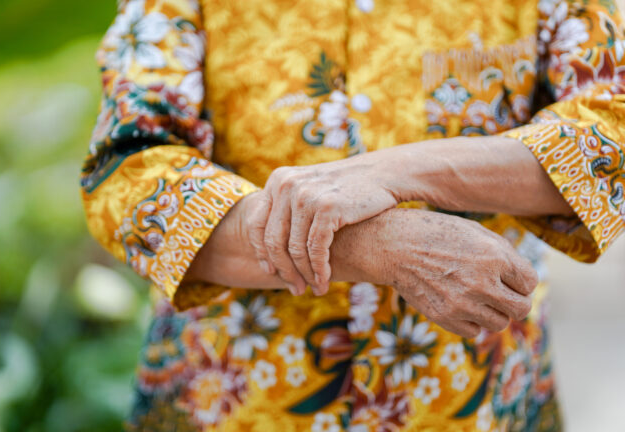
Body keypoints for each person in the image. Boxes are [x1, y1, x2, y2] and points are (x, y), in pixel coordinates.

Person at [80, 0, 625, 430]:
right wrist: (377, 247)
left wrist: (393, 173)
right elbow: (127, 175)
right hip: (229, 406)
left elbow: (612, 132)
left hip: (479, 405)